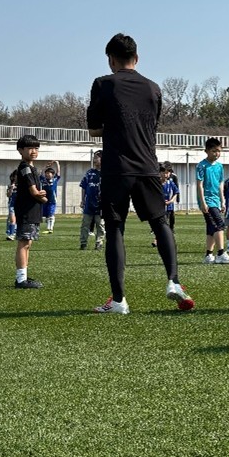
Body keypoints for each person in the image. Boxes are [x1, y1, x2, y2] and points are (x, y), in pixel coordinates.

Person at [86, 33, 193, 313]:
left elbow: (94, 129)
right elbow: (150, 126)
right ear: (137, 57)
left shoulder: (102, 84)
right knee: (160, 222)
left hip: (117, 167)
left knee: (115, 228)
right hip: (147, 166)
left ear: (110, 60)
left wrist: (114, 127)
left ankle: (119, 300)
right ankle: (174, 281)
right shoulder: (153, 88)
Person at [13, 135, 47, 289]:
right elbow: (34, 192)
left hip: (32, 210)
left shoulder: (32, 168)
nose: (34, 151)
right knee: (24, 242)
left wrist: (41, 195)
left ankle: (24, 276)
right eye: (30, 148)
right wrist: (43, 197)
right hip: (26, 210)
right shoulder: (25, 167)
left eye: (36, 148)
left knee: (28, 243)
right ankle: (21, 279)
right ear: (20, 150)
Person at [196, 138, 229, 265]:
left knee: (211, 228)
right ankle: (221, 254)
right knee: (219, 224)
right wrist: (203, 202)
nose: (217, 153)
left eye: (219, 151)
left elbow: (220, 184)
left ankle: (209, 255)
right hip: (207, 200)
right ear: (206, 151)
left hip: (216, 200)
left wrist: (222, 201)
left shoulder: (219, 166)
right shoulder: (201, 166)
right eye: (214, 151)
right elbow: (199, 185)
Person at [79, 151, 104, 250]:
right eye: (94, 158)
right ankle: (83, 243)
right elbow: (83, 187)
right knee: (85, 224)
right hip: (89, 204)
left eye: (97, 157)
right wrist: (82, 200)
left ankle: (99, 243)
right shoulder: (89, 173)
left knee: (100, 225)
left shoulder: (106, 173)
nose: (94, 160)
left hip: (100, 205)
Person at [41, 161, 62, 234]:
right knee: (45, 215)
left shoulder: (55, 179)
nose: (47, 174)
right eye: (46, 173)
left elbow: (58, 172)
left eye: (49, 173)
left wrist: (57, 163)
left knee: (51, 214)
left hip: (52, 200)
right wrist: (46, 166)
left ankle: (50, 229)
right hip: (44, 200)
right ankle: (48, 228)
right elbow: (41, 173)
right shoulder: (43, 180)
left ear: (52, 174)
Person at [161, 162, 179, 231]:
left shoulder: (170, 182)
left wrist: (171, 201)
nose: (165, 175)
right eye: (164, 173)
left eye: (167, 173)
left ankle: (170, 230)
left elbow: (176, 192)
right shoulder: (156, 183)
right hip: (159, 207)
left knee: (167, 220)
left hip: (169, 206)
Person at [5, 170, 18, 241]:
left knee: (17, 220)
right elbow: (8, 195)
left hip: (20, 205)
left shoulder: (23, 185)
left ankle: (14, 233)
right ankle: (11, 234)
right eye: (16, 175)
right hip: (12, 205)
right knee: (12, 220)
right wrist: (11, 189)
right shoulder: (10, 185)